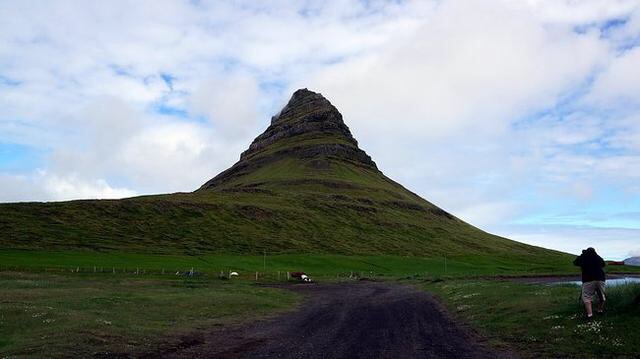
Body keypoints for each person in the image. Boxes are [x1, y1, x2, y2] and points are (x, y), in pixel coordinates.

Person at [573, 247, 606, 319]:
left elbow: (575, 262)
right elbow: (603, 264)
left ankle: (590, 315)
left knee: (587, 297)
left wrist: (582, 255)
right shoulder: (598, 257)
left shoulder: (584, 257)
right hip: (600, 278)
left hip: (588, 279)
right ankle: (600, 310)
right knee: (601, 296)